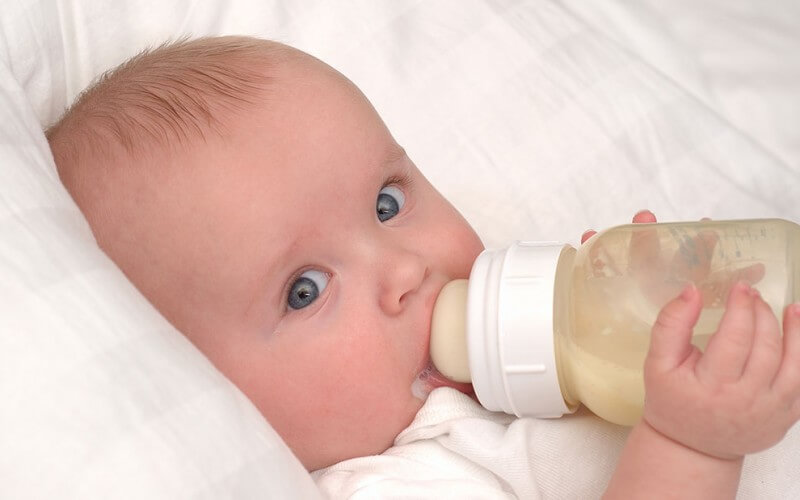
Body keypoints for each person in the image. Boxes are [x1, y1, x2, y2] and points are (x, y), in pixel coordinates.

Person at [46, 36, 800, 497]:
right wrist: (690, 445)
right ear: (207, 389)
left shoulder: (525, 352)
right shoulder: (399, 483)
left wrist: (659, 303)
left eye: (386, 204)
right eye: (305, 290)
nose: (406, 271)